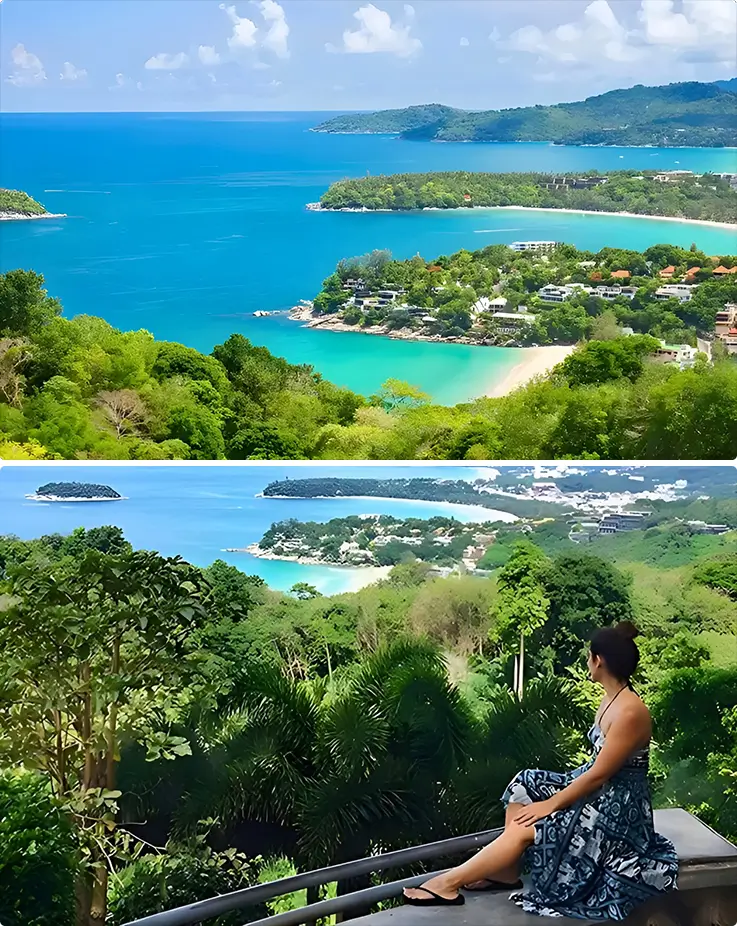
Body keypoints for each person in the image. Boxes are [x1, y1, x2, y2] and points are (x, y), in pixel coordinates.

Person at [403, 621, 679, 919]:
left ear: (598, 660)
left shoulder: (630, 712)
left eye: (589, 657)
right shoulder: (611, 697)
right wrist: (548, 799)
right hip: (597, 787)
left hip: (617, 806)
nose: (587, 662)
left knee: (528, 826)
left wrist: (550, 805)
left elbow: (601, 775)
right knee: (524, 784)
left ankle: (447, 883)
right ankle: (506, 871)